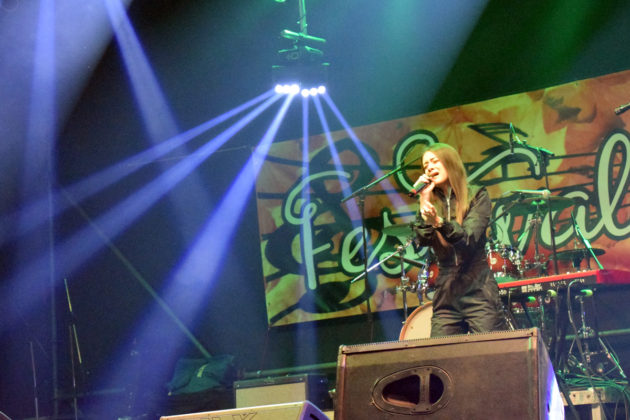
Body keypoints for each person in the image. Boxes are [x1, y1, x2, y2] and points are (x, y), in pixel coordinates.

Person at [411, 143, 507, 337]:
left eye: (434, 161)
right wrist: (424, 199)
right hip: (447, 292)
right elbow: (422, 240)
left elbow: (468, 240)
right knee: (441, 352)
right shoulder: (432, 202)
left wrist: (439, 222)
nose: (429, 168)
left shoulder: (476, 195)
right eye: (425, 165)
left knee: (491, 350)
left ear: (450, 162)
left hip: (478, 288)